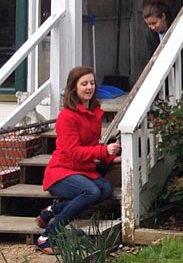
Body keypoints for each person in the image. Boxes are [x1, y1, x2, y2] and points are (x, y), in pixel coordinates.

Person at [35, 66, 121, 254]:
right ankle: (47, 236)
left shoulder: (95, 112)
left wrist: (109, 156)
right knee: (90, 192)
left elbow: (91, 145)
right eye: (84, 84)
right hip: (61, 172)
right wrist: (103, 150)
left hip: (83, 170)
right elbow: (74, 152)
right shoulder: (66, 117)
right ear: (74, 88)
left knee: (105, 188)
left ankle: (52, 210)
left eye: (91, 83)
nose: (89, 87)